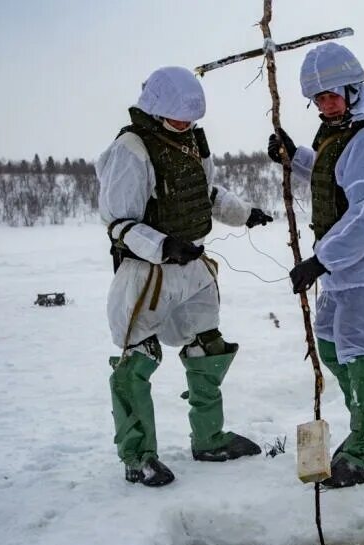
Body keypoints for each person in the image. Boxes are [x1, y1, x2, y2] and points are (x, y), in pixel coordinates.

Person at [96, 66, 273, 487]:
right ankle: (138, 455)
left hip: (193, 267)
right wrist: (162, 245)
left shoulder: (192, 142)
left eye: (190, 120)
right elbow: (117, 222)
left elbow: (205, 193)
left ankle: (210, 438)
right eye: (178, 119)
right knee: (137, 358)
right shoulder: (131, 149)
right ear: (156, 110)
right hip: (147, 272)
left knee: (207, 346)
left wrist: (245, 214)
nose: (185, 126)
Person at [267, 43, 364, 488]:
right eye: (318, 99)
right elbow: (339, 180)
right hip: (343, 269)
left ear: (354, 90)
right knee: (332, 346)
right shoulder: (346, 135)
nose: (325, 105)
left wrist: (320, 259)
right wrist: (296, 160)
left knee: (360, 354)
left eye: (333, 95)